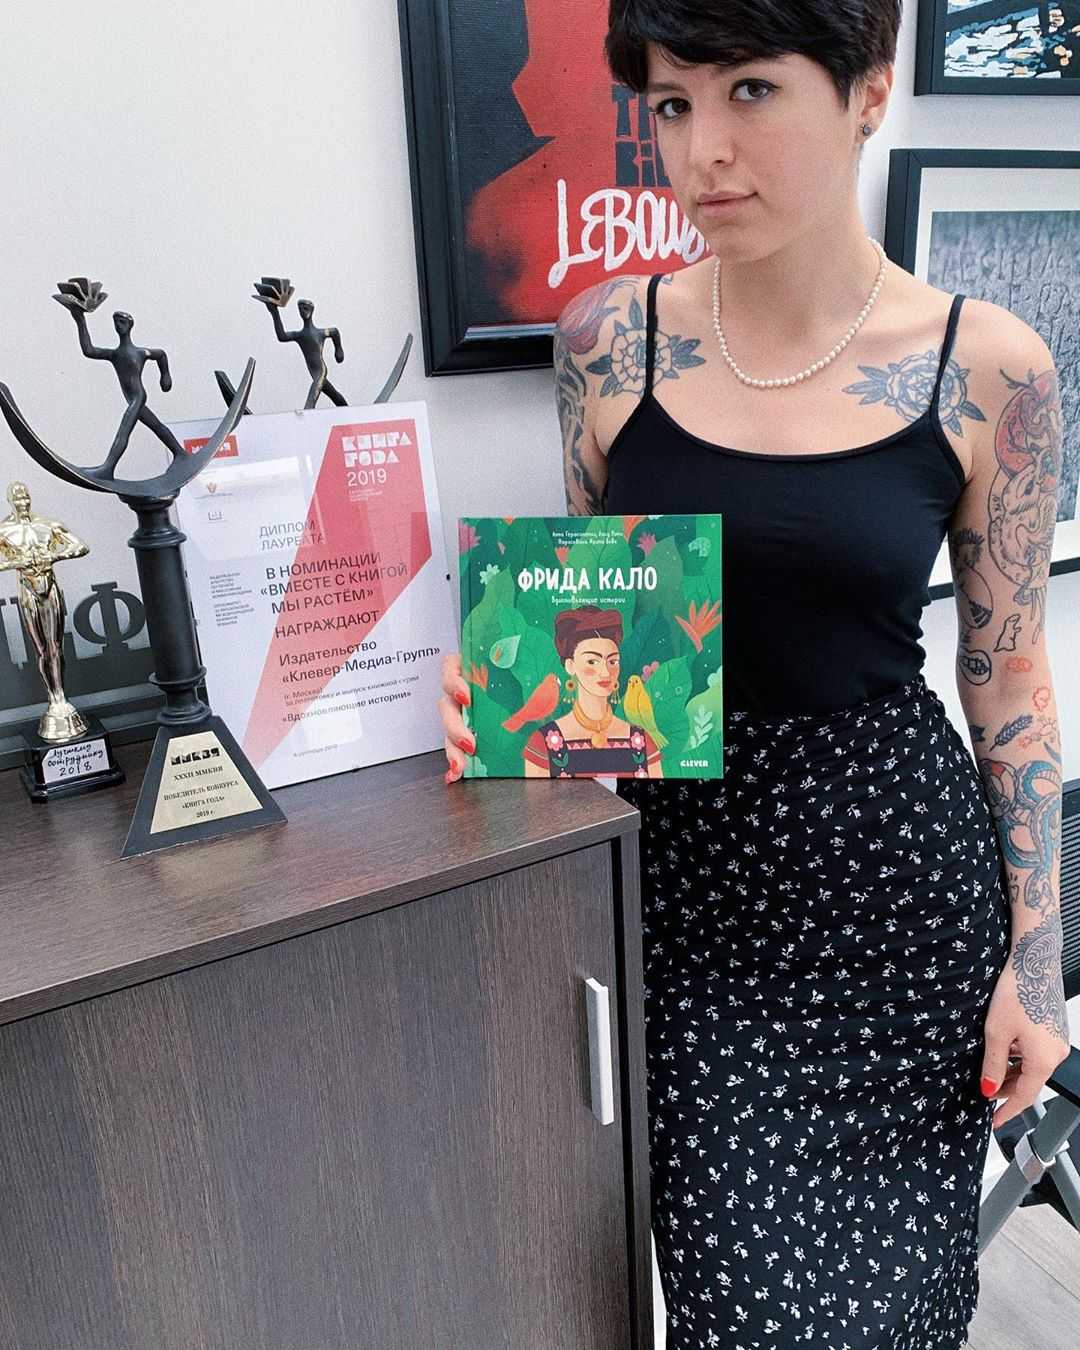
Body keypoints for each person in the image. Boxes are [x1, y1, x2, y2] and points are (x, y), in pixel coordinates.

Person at [438, 2, 1069, 1345]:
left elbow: (1010, 684)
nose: (701, 150)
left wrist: (1037, 958)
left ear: (869, 91)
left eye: (751, 92)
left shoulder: (989, 368)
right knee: (739, 1305)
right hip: (692, 913)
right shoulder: (606, 342)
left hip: (900, 913)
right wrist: (511, 700)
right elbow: (604, 631)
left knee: (898, 1313)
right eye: (672, 104)